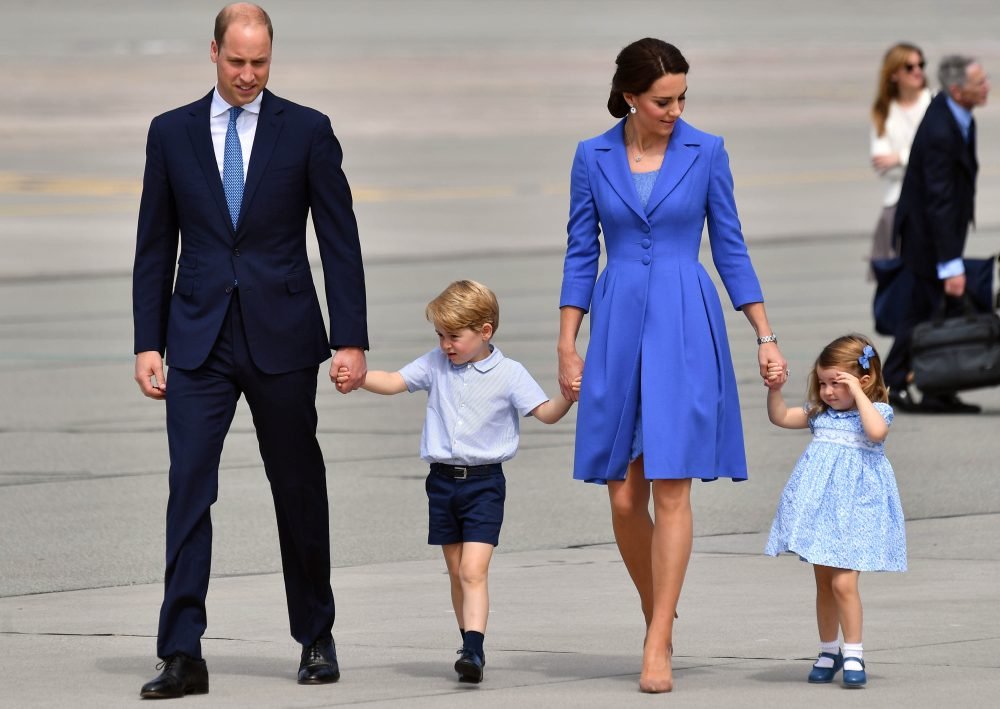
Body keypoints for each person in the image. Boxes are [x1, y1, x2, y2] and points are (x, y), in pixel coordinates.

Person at [132, 3, 368, 699]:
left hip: (283, 336)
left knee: (297, 486)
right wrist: (147, 342)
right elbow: (154, 244)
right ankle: (182, 652)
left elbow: (340, 240)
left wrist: (350, 338)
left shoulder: (308, 130)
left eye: (259, 62)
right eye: (236, 61)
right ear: (213, 53)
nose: (247, 74)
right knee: (188, 488)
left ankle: (316, 635)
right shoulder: (171, 132)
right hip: (197, 339)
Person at [556, 38, 787, 693]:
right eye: (663, 100)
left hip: (686, 319)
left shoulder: (706, 151)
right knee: (623, 494)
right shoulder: (592, 156)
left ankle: (657, 637)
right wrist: (567, 342)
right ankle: (659, 604)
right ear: (629, 96)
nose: (676, 110)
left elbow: (731, 247)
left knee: (671, 485)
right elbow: (580, 251)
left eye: (683, 97)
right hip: (617, 321)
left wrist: (764, 334)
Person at [336, 280, 578, 684]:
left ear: (485, 331)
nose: (446, 344)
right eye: (440, 335)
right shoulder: (436, 363)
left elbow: (546, 412)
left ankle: (475, 650)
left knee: (472, 570)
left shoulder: (509, 373)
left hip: (484, 485)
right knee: (455, 571)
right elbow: (395, 380)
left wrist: (568, 396)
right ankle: (467, 642)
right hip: (442, 483)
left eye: (454, 336)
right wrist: (359, 379)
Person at [764, 334, 907, 688]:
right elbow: (780, 417)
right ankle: (829, 651)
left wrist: (858, 393)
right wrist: (775, 390)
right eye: (823, 383)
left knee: (844, 583)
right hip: (822, 512)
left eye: (836, 383)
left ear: (865, 381)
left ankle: (854, 652)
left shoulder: (876, 412)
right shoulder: (820, 415)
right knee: (825, 584)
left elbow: (876, 433)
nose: (828, 391)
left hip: (857, 512)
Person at [884, 54, 989, 414]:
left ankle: (925, 385)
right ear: (957, 90)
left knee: (927, 309)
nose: (987, 87)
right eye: (979, 83)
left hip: (937, 231)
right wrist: (950, 263)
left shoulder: (956, 112)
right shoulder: (942, 129)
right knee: (927, 312)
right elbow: (939, 199)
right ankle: (898, 382)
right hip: (928, 236)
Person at [868, 42, 931, 271]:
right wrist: (916, 157)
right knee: (892, 277)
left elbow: (937, 156)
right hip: (895, 202)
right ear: (894, 74)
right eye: (910, 67)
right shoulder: (884, 111)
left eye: (921, 65)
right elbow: (882, 166)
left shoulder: (934, 103)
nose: (918, 71)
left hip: (930, 203)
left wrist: (901, 157)